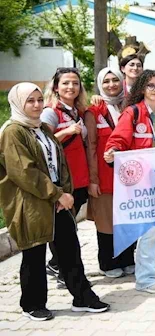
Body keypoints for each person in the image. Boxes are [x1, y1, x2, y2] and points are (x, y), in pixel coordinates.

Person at [0, 83, 109, 321]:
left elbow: (59, 163)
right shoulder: (13, 132)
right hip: (31, 203)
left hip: (56, 199)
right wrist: (57, 194)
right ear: (19, 103)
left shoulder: (41, 129)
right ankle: (32, 303)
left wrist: (64, 194)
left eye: (40, 100)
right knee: (34, 253)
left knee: (70, 250)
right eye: (30, 101)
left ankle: (82, 297)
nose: (37, 105)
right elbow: (24, 172)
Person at [104, 70, 155, 294]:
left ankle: (148, 271)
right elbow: (118, 139)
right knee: (148, 231)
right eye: (150, 86)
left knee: (154, 229)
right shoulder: (133, 113)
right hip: (140, 183)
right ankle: (145, 279)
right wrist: (113, 152)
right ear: (141, 88)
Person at [41, 67, 90, 279]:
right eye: (66, 83)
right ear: (56, 87)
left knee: (68, 225)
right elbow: (42, 144)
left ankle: (55, 263)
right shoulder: (50, 112)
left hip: (79, 178)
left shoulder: (77, 111)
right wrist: (67, 131)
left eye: (75, 83)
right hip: (62, 180)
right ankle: (64, 270)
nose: (71, 87)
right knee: (64, 228)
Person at [85, 67, 135, 277]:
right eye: (106, 81)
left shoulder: (131, 106)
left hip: (129, 176)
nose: (111, 85)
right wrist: (93, 180)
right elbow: (91, 147)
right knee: (106, 221)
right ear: (99, 84)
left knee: (127, 218)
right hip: (104, 177)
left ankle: (127, 258)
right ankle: (108, 263)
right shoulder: (93, 111)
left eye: (115, 80)